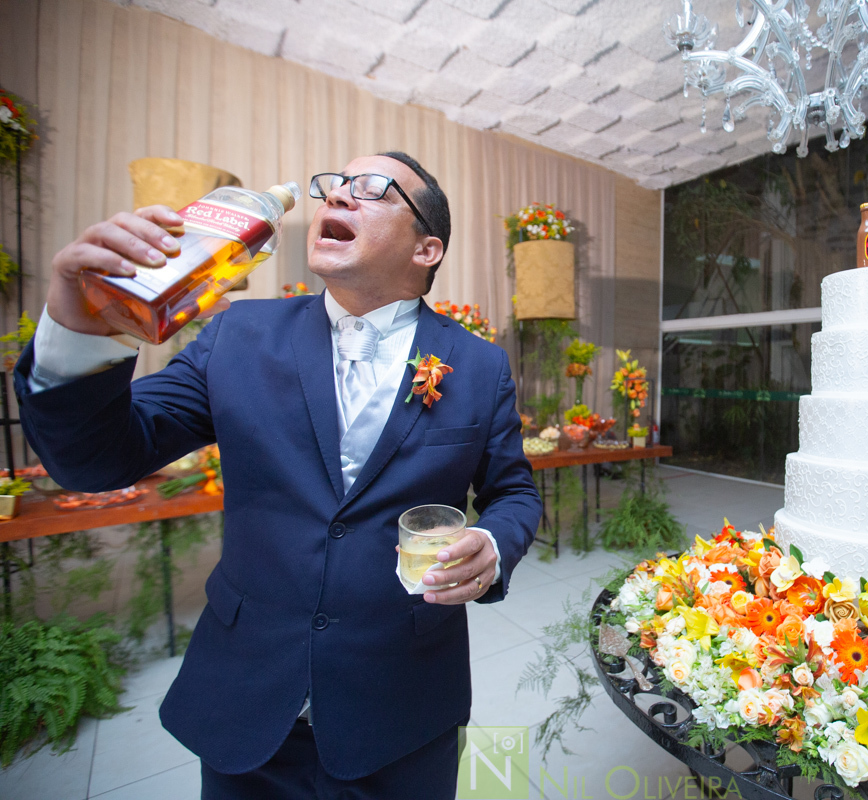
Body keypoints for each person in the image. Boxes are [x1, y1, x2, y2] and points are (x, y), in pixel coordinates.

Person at [15, 152, 542, 799]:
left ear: (427, 248)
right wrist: (82, 333)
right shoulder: (238, 333)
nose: (339, 198)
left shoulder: (479, 365)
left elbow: (512, 491)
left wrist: (491, 544)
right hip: (250, 702)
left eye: (372, 189)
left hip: (402, 703)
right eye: (333, 187)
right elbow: (96, 459)